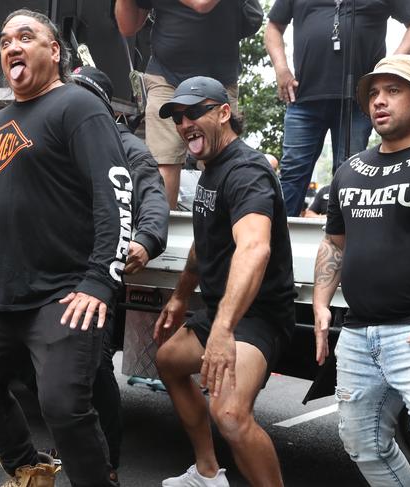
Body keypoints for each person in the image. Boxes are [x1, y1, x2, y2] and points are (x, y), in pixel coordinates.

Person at [0, 10, 132, 487]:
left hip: (63, 295)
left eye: (25, 36)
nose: (12, 47)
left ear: (54, 51)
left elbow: (116, 194)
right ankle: (29, 467)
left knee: (62, 405)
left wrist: (100, 280)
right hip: (2, 299)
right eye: (4, 41)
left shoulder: (78, 107)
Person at [313, 55, 410, 485]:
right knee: (364, 445)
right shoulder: (350, 171)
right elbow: (334, 243)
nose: (379, 101)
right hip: (358, 336)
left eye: (393, 91)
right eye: (373, 93)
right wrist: (321, 304)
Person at [154, 76, 296, 487]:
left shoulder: (246, 170)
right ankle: (207, 473)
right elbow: (205, 244)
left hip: (259, 317)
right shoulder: (210, 171)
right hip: (223, 311)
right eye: (179, 117)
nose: (184, 124)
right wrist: (181, 296)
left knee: (230, 414)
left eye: (194, 112)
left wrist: (223, 330)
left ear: (223, 112)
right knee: (168, 361)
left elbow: (255, 249)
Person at [72, 65, 170, 473]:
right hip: (52, 271)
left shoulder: (127, 146)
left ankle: (105, 463)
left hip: (97, 270)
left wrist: (145, 241)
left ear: (106, 108)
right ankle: (75, 450)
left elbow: (153, 197)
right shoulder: (57, 135)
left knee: (91, 365)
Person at [264, 0, 410, 217]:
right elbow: (273, 26)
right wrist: (281, 68)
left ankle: (346, 239)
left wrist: (392, 65)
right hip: (303, 96)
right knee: (293, 172)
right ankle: (279, 241)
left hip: (357, 100)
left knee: (351, 172)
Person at [115, 0, 253, 210]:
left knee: (222, 163)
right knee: (163, 161)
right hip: (166, 76)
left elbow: (202, 3)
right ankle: (158, 237)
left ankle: (218, 238)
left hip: (219, 81)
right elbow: (127, 26)